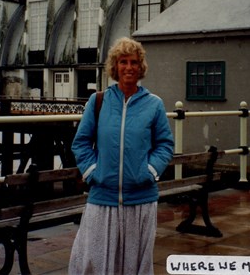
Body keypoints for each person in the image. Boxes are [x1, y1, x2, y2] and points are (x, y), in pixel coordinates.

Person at [69, 37, 174, 275]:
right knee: (91, 263)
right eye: (123, 62)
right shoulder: (98, 101)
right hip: (102, 197)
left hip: (141, 199)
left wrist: (149, 172)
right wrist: (93, 173)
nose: (128, 67)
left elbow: (165, 145)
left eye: (134, 62)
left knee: (133, 266)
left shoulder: (154, 105)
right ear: (115, 67)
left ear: (141, 67)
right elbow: (81, 143)